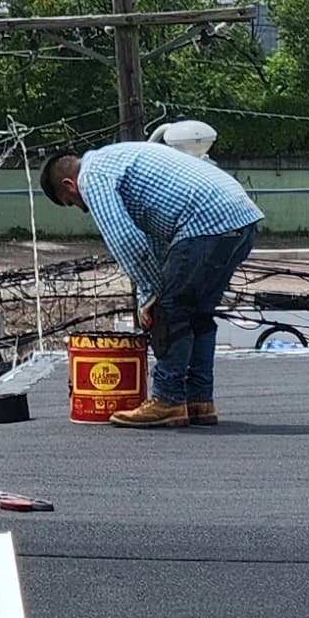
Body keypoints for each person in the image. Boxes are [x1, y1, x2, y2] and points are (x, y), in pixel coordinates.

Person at [42, 135, 263, 426]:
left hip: (205, 223)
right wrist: (158, 284)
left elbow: (124, 239)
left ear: (69, 185)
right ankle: (199, 401)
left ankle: (168, 400)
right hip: (240, 219)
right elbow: (157, 241)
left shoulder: (93, 176)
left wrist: (151, 294)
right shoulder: (118, 158)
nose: (80, 208)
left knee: (169, 310)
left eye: (71, 202)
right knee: (198, 314)